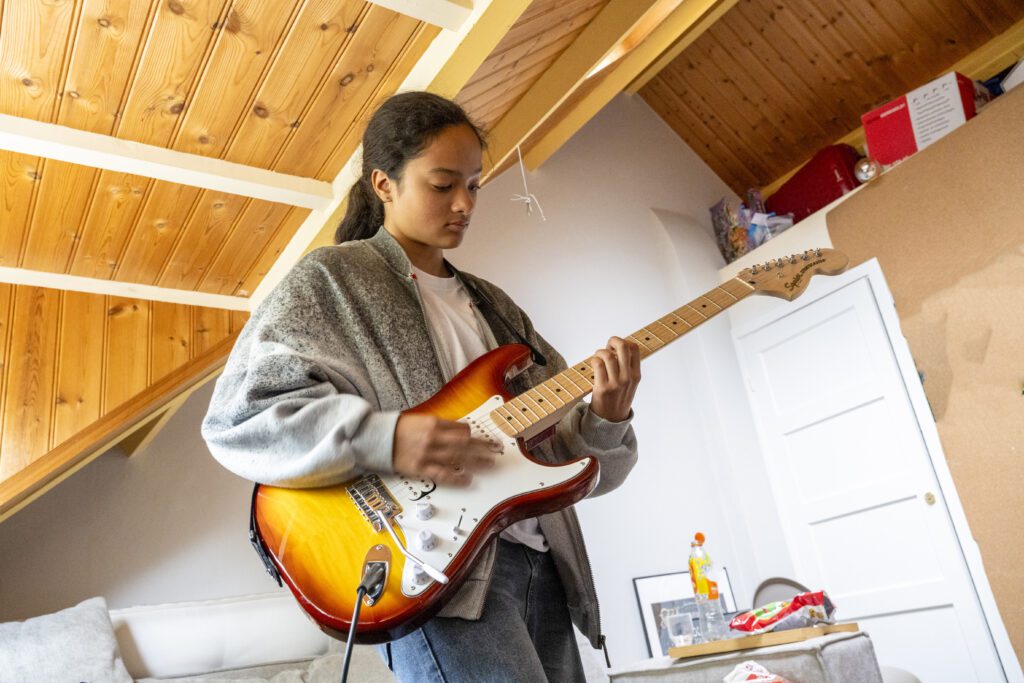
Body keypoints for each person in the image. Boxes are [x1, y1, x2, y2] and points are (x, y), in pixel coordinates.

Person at [201, 91, 641, 682]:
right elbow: (238, 420)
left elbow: (584, 472)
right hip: (439, 580)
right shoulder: (331, 281)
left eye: (475, 185)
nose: (464, 203)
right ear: (383, 184)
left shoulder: (499, 309)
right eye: (442, 184)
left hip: (547, 573)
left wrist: (606, 418)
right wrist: (386, 439)